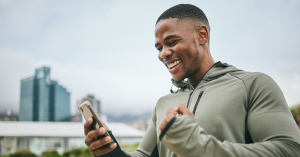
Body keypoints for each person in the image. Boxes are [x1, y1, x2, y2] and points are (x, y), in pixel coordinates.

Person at [84, 4, 300, 157]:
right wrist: (111, 152)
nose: (163, 54)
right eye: (159, 48)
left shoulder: (253, 85)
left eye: (172, 42)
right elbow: (144, 155)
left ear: (202, 35)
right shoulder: (163, 104)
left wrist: (197, 146)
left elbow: (289, 150)